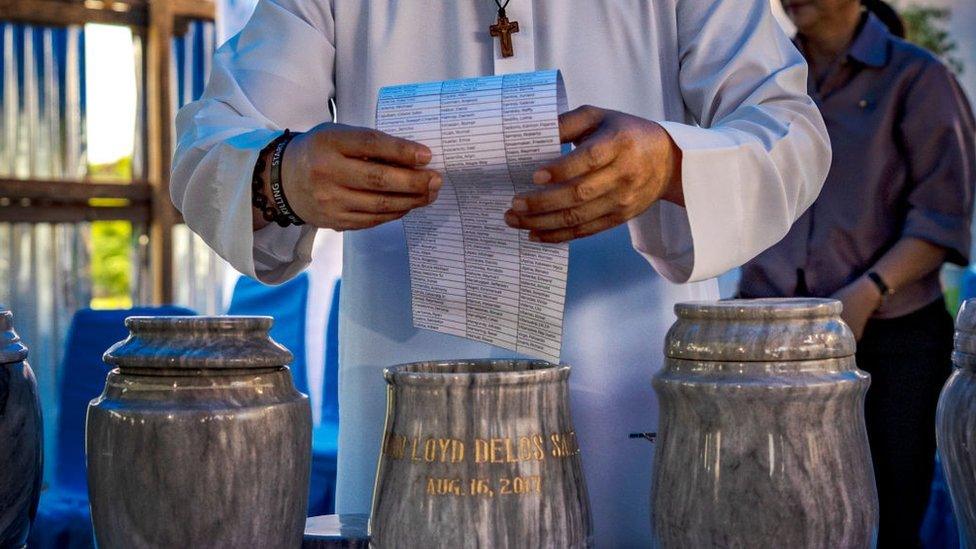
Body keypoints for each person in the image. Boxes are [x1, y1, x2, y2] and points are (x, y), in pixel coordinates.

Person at [172, 1, 830, 545]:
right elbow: (211, 142)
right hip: (412, 398)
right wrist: (278, 175)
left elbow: (791, 130)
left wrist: (672, 164)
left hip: (626, 383)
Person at [742, 1, 976, 546]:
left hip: (890, 341)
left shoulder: (918, 77)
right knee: (771, 513)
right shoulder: (766, 79)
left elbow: (942, 216)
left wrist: (866, 293)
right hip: (773, 339)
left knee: (886, 517)